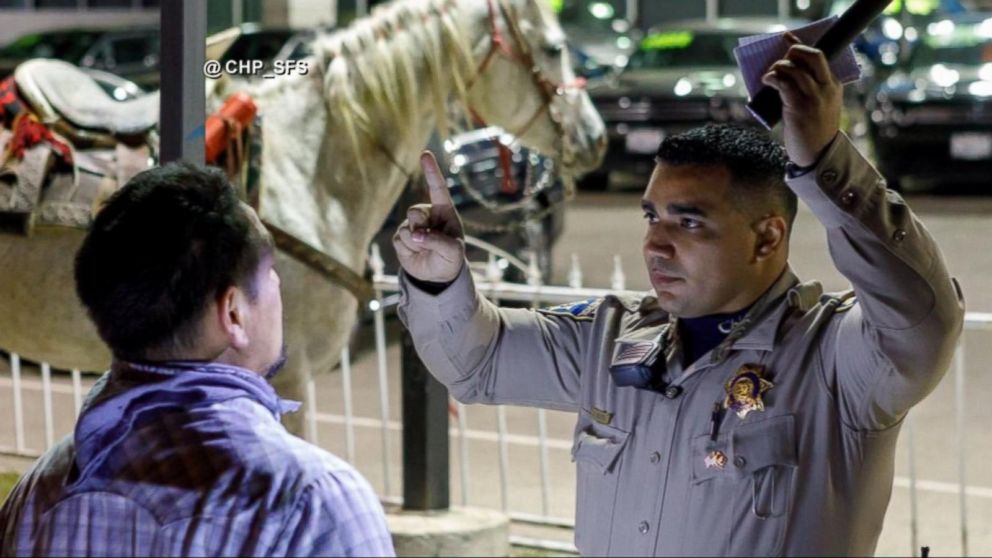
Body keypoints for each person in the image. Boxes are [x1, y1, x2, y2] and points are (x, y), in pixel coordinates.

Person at [392, 34, 965, 556]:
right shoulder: (610, 340)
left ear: (767, 236)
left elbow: (921, 319)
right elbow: (478, 362)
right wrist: (438, 282)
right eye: (652, 217)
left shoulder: (835, 361)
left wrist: (824, 164)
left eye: (687, 224)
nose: (655, 247)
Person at [0, 163, 395, 557]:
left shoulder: (37, 492)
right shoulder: (316, 502)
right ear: (234, 313)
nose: (277, 286)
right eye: (270, 270)